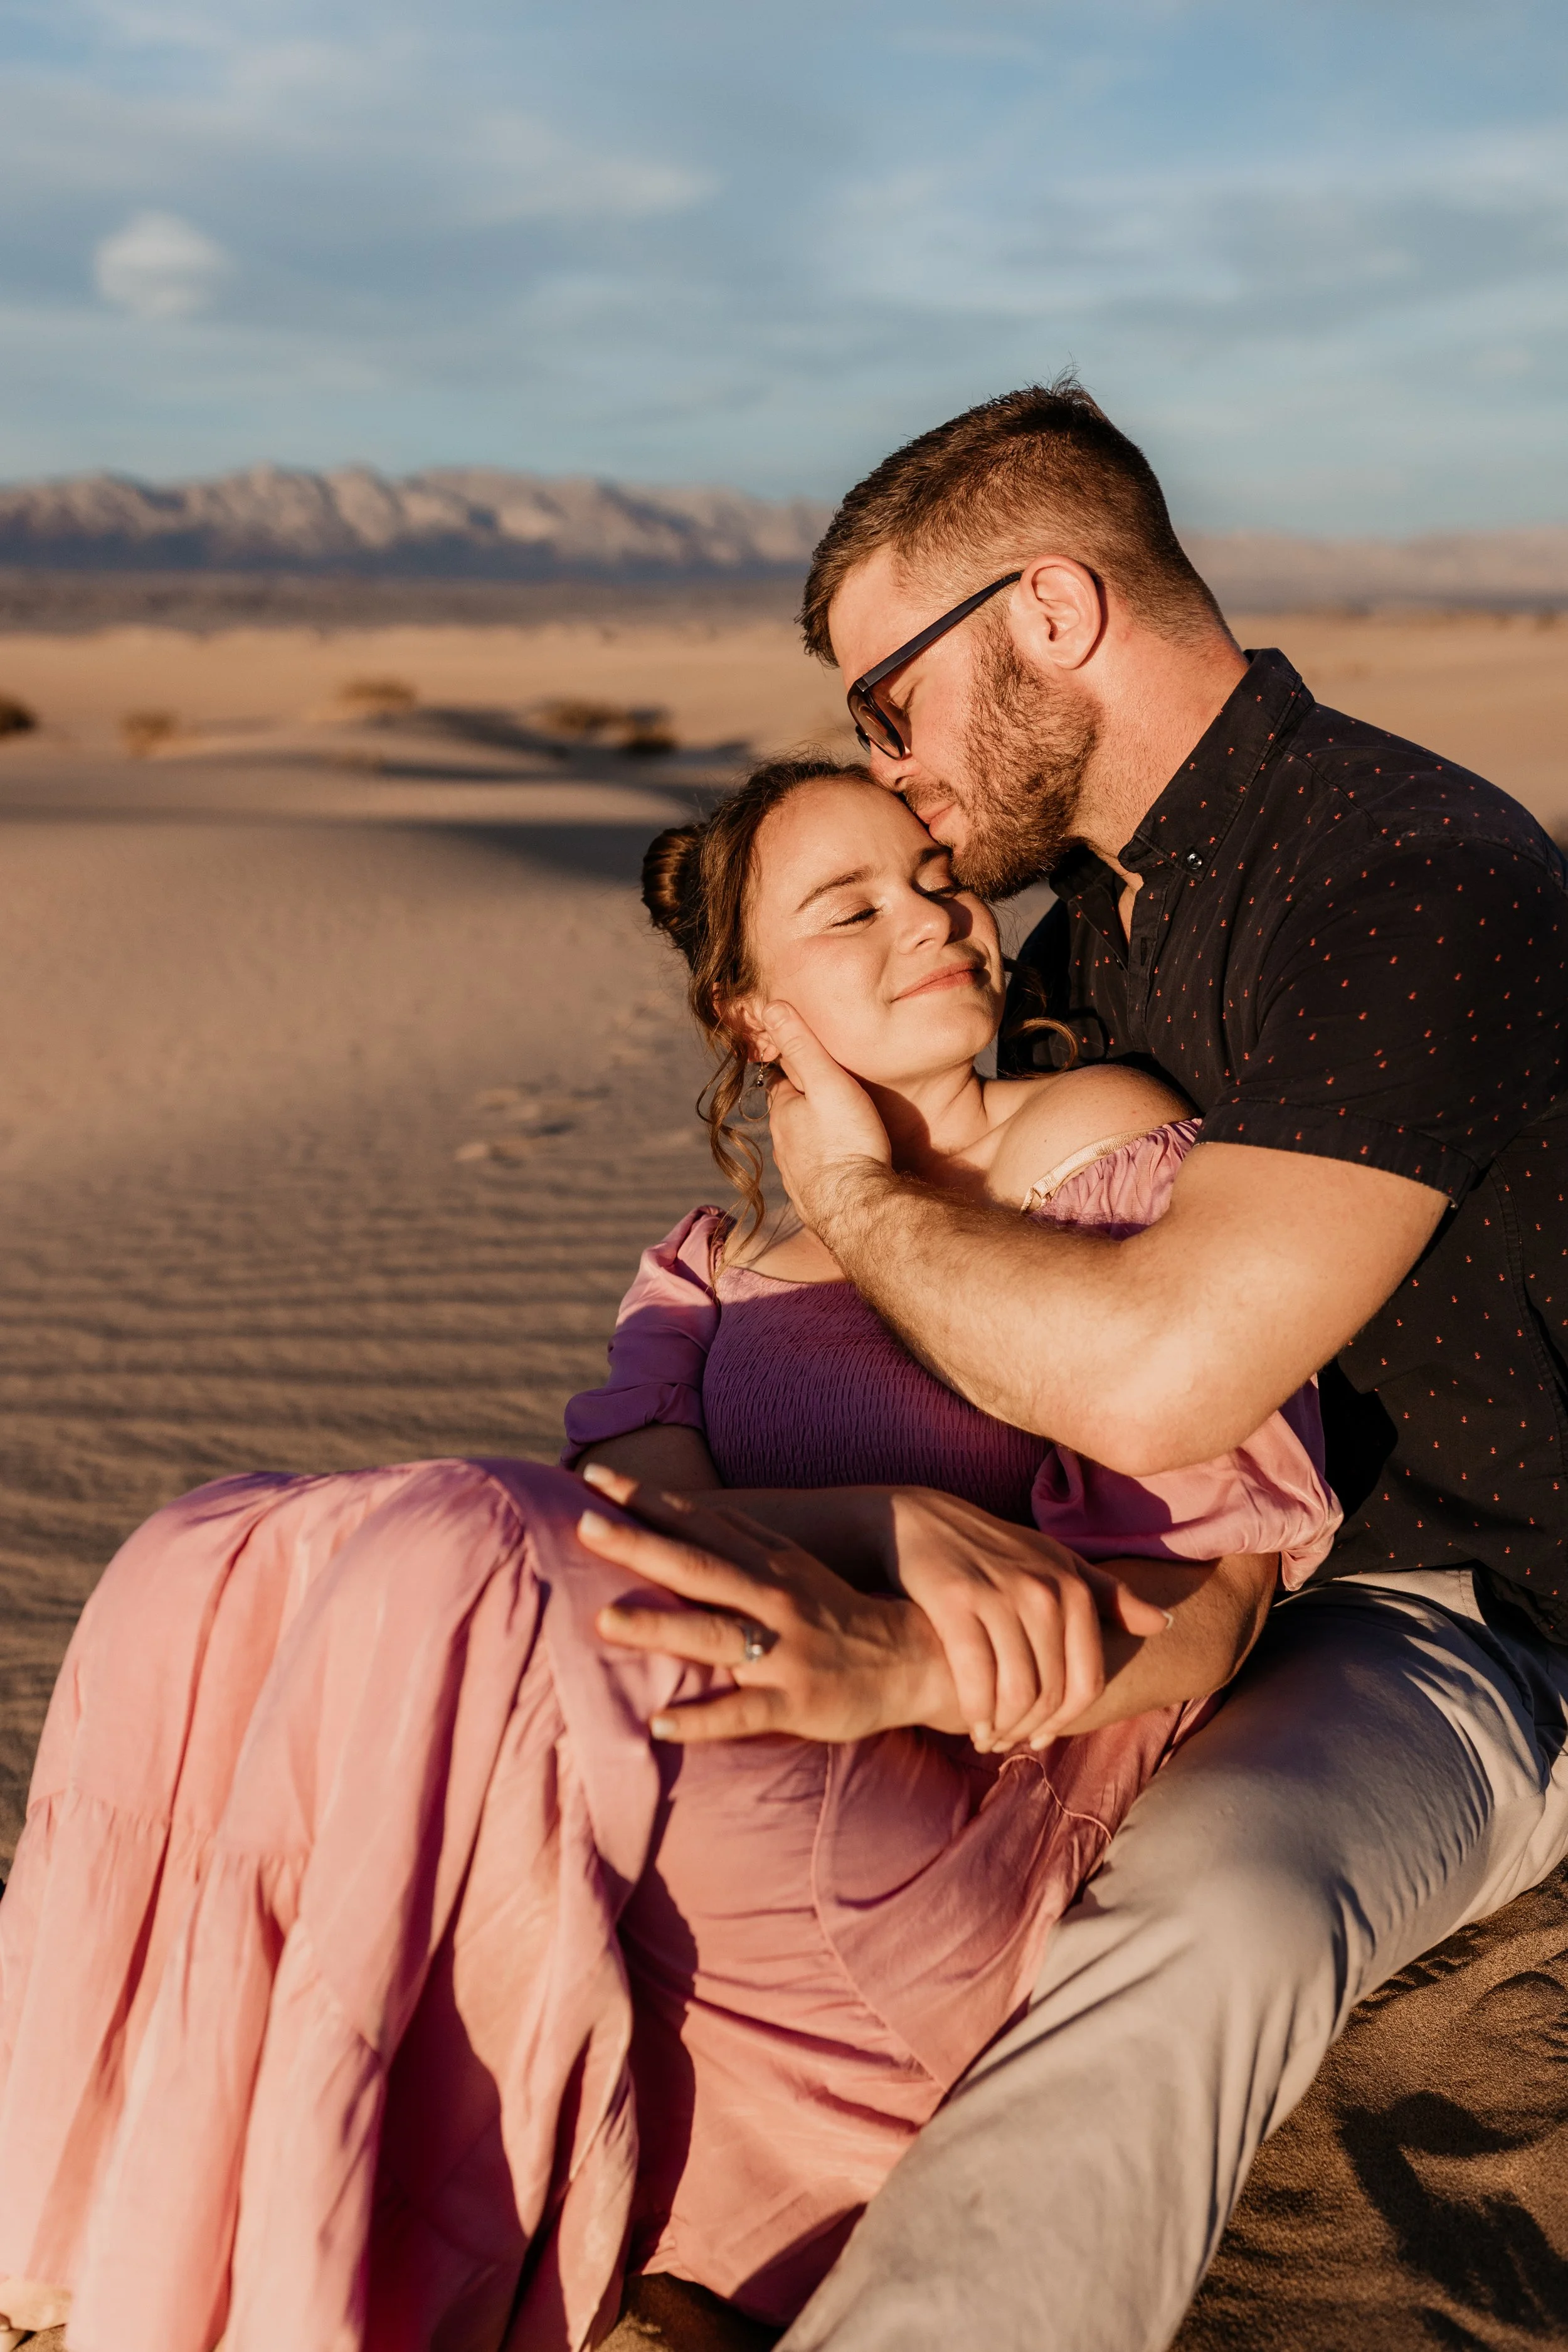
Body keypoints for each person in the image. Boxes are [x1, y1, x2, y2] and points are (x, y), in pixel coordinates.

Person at [0, 761, 1336, 2352]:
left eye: (929, 876)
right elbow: (628, 1543)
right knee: (190, 1551)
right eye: (849, 911)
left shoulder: (1104, 1150)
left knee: (458, 1546)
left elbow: (1204, 1599)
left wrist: (925, 1628)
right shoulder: (705, 1277)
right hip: (730, 1791)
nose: (930, 917)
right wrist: (881, 1521)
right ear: (754, 1018)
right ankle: (88, 2251)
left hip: (970, 1825)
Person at [602, 378, 1568, 2352]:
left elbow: (1148, 1384)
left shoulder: (1407, 878)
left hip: (1446, 1616)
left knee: (1192, 1925)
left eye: (889, 698)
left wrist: (857, 1200)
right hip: (1144, 1592)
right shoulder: (1064, 951)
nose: (890, 764)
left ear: (1046, 615)